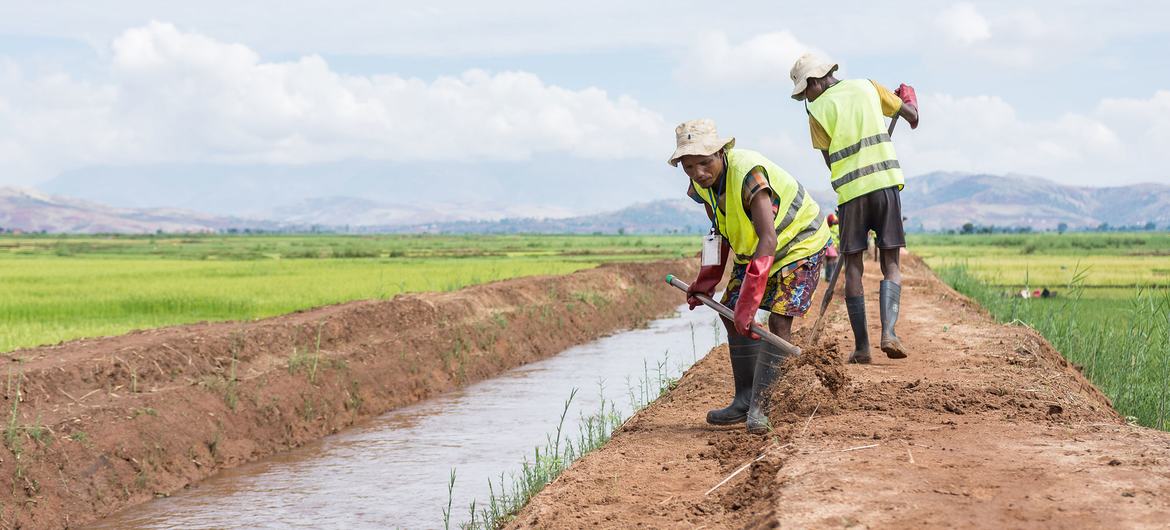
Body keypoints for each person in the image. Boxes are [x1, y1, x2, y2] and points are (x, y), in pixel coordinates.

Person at [670, 118, 832, 434]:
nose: (699, 173)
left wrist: (750, 303)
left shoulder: (749, 175)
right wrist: (707, 280)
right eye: (689, 167)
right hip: (757, 250)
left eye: (705, 163)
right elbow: (721, 232)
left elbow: (768, 237)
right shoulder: (702, 188)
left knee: (779, 320)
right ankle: (745, 400)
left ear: (720, 153)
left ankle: (764, 405)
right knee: (730, 313)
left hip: (798, 242)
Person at [789, 53, 919, 364]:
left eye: (805, 91)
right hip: (885, 184)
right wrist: (908, 98)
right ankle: (889, 332)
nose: (806, 98)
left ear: (815, 81)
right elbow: (912, 116)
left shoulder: (816, 112)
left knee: (854, 268)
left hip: (850, 194)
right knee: (891, 263)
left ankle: (862, 349)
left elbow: (830, 161)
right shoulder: (869, 87)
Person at [824, 213, 840, 280]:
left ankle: (829, 277)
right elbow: (832, 221)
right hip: (830, 243)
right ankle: (830, 277)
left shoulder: (838, 224)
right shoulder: (832, 216)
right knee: (832, 259)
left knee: (830, 260)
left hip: (833, 244)